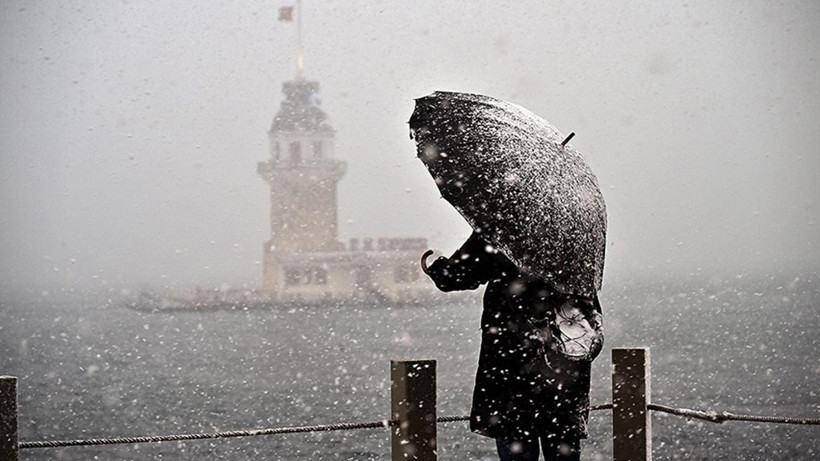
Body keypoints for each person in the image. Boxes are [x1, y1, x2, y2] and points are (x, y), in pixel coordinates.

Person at [425, 231, 603, 461]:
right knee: (562, 444)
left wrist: (435, 264)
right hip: (565, 372)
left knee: (517, 443)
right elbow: (590, 314)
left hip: (512, 367)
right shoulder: (575, 237)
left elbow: (456, 276)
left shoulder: (504, 228)